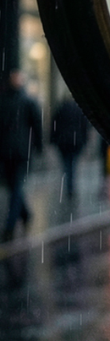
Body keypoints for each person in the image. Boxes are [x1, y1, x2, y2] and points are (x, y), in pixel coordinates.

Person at [0, 70, 43, 242]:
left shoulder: (25, 101)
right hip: (11, 151)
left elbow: (37, 125)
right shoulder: (10, 101)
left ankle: (10, 226)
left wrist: (39, 146)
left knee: (15, 187)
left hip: (18, 152)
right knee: (13, 187)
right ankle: (25, 215)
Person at [50, 96, 91, 199]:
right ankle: (71, 185)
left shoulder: (61, 108)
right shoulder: (79, 110)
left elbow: (54, 125)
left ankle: (69, 184)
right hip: (75, 142)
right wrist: (85, 140)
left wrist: (53, 139)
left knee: (67, 163)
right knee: (73, 164)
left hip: (63, 142)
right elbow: (85, 126)